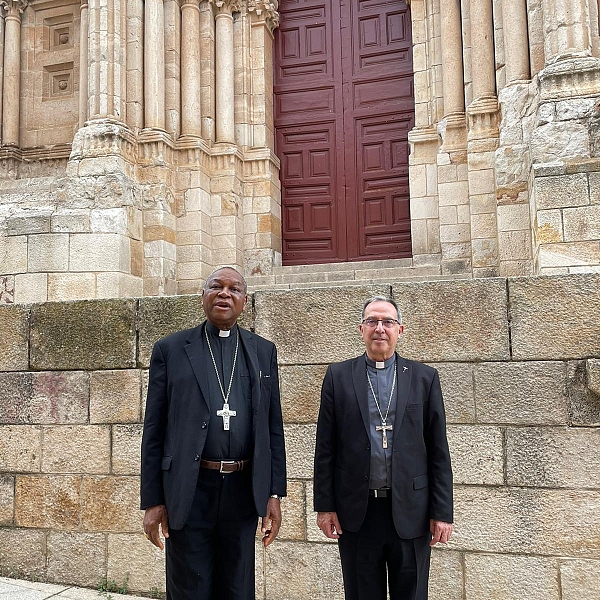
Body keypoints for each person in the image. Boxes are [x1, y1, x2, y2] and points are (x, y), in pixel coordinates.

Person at [141, 266, 286, 600]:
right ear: (202, 295)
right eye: (216, 287)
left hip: (242, 489)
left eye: (234, 289)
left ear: (245, 301)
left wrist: (274, 493)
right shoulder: (171, 350)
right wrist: (153, 500)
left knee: (237, 589)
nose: (225, 293)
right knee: (190, 589)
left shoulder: (263, 351)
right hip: (191, 489)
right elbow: (154, 429)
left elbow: (272, 427)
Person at [313, 296, 453, 600]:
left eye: (387, 322)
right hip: (357, 512)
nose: (380, 328)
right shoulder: (338, 377)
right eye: (372, 322)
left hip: (412, 511)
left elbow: (438, 450)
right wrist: (325, 507)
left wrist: (442, 512)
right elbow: (325, 448)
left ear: (400, 330)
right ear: (361, 329)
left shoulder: (424, 378)